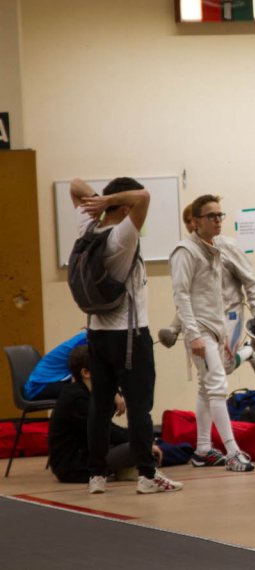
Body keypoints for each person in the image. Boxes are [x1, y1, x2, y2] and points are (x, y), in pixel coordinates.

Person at [70, 177, 182, 494]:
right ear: (125, 208)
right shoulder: (123, 236)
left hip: (96, 334)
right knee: (139, 408)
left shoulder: (88, 227)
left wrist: (99, 202)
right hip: (130, 335)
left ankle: (96, 476)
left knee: (100, 405)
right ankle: (147, 475)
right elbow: (143, 196)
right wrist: (108, 202)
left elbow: (75, 185)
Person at [170, 194, 254, 472]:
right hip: (201, 331)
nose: (218, 220)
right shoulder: (185, 251)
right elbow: (181, 295)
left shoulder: (215, 248)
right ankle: (233, 452)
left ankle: (203, 449)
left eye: (220, 215)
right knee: (217, 386)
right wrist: (192, 334)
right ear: (196, 221)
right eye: (211, 216)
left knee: (206, 388)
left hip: (216, 329)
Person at [159, 205, 255, 379]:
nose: (191, 225)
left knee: (224, 366)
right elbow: (187, 296)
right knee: (209, 371)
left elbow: (251, 279)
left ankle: (249, 351)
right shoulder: (188, 252)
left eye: (193, 220)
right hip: (205, 319)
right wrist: (174, 328)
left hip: (230, 312)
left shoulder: (227, 246)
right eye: (187, 221)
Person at [48, 346, 162, 484]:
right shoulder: (77, 398)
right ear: (86, 373)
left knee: (147, 441)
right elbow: (106, 432)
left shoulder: (84, 392)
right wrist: (142, 441)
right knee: (141, 447)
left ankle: (134, 465)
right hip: (75, 467)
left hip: (85, 456)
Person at [23, 331, 89, 401]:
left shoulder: (88, 338)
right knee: (84, 390)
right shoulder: (85, 341)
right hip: (39, 387)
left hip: (54, 381)